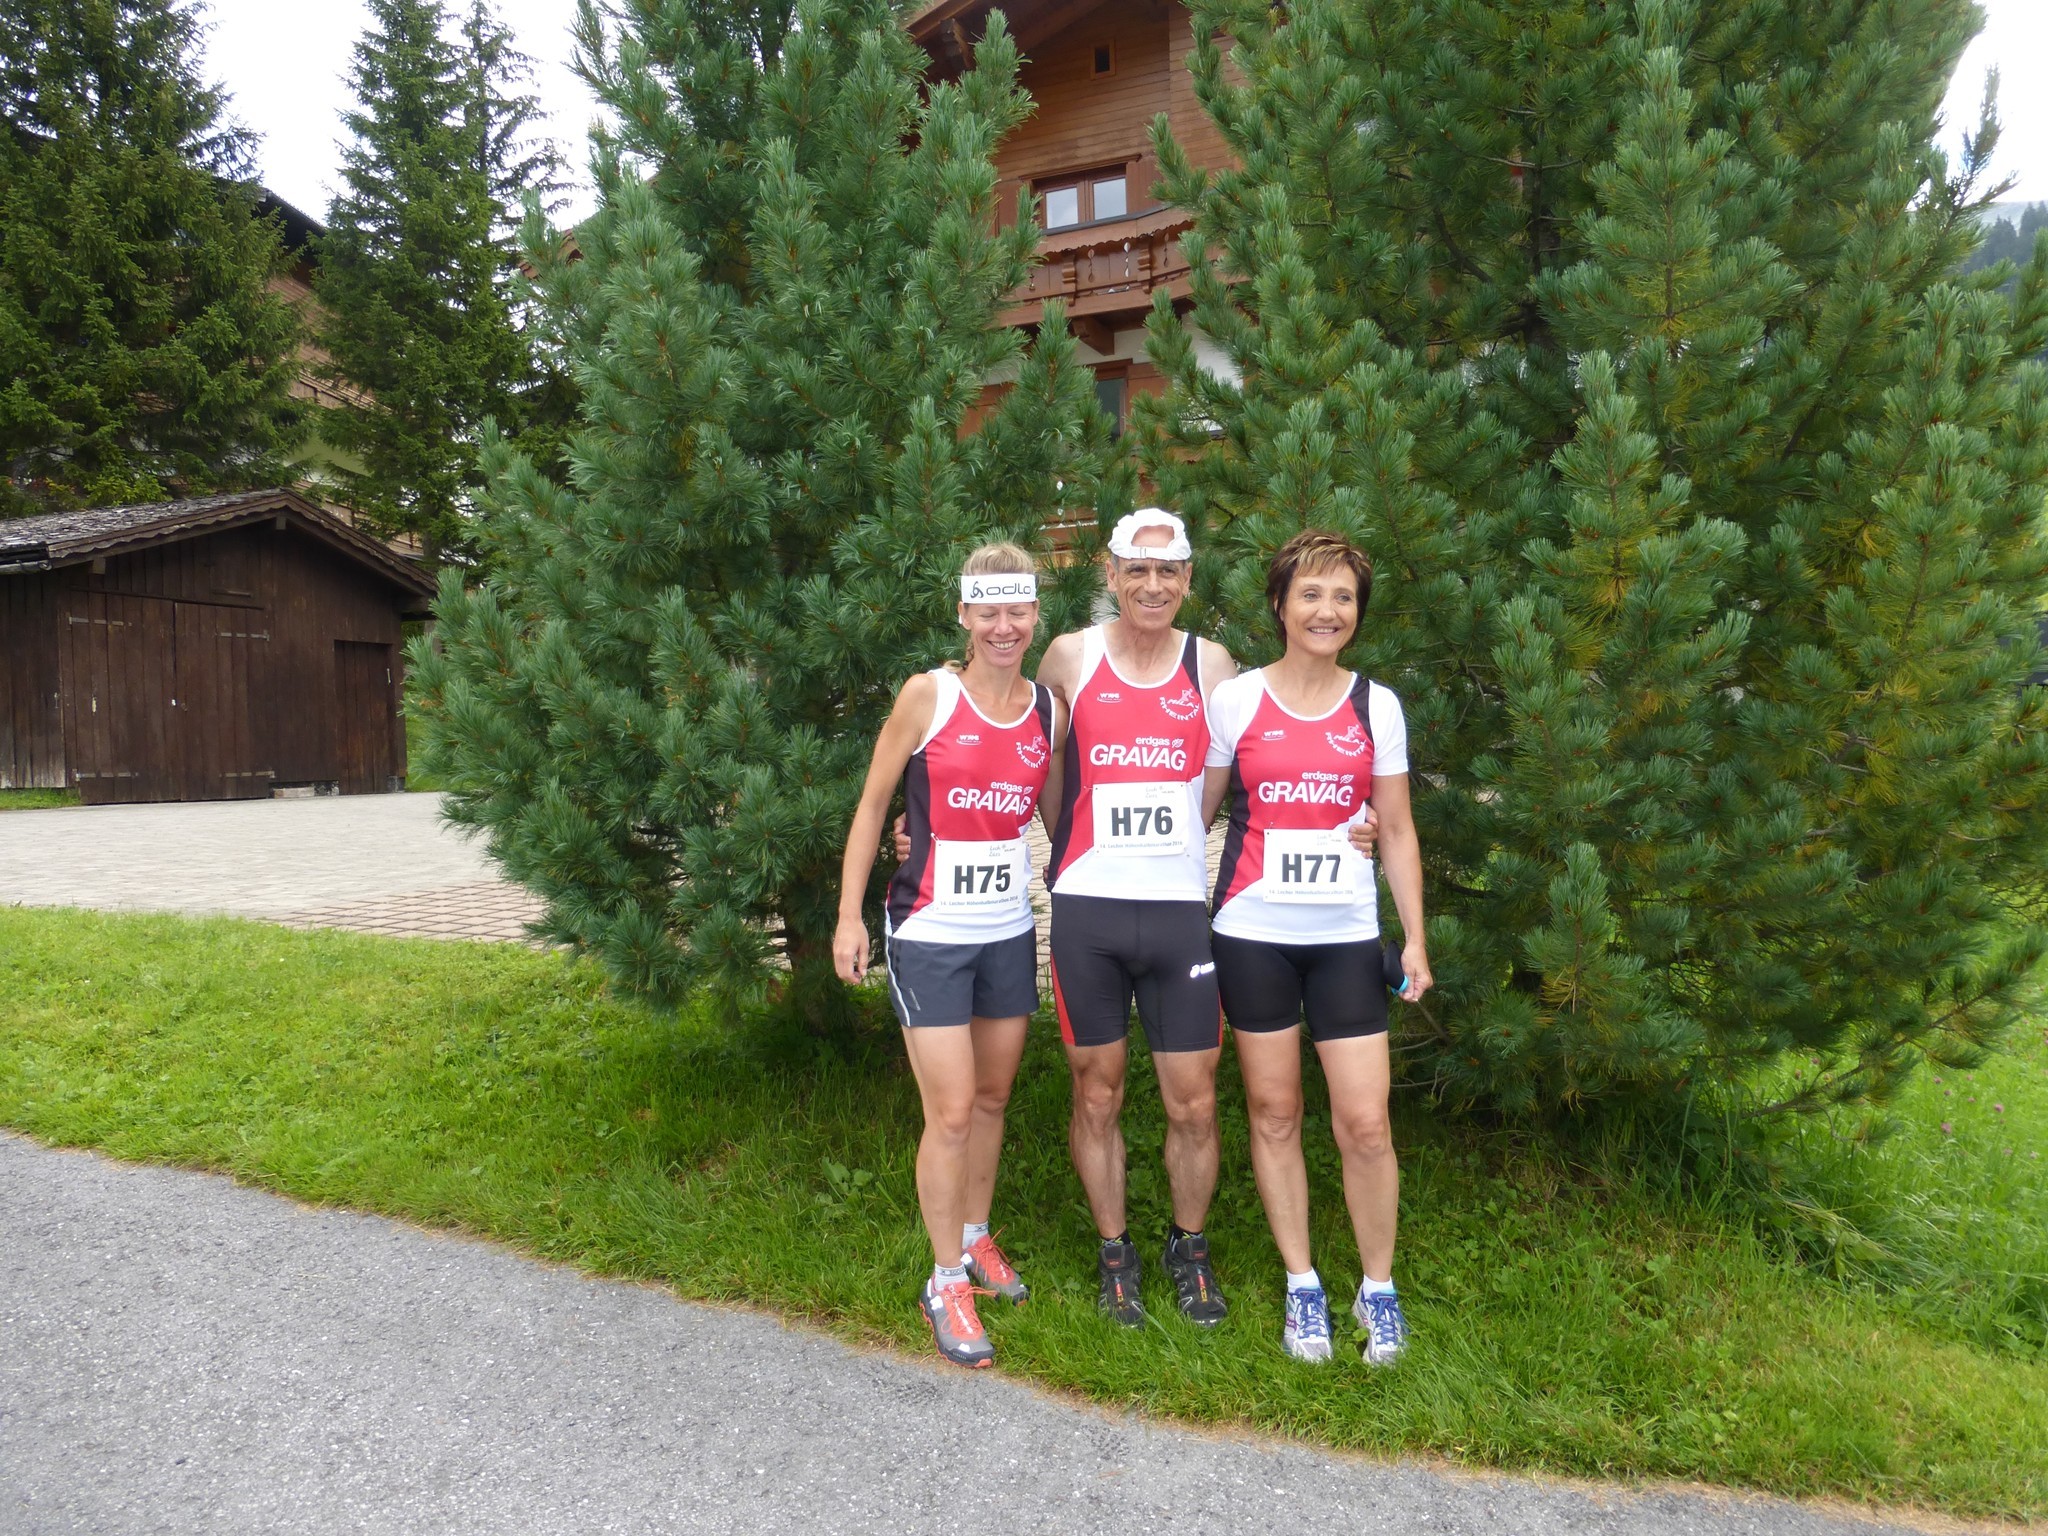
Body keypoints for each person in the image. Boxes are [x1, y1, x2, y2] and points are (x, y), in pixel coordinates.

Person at [1201, 529, 1431, 1365]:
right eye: (1310, 594)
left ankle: (1380, 1288)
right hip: (1253, 933)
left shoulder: (1377, 706)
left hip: (1343, 936)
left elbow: (1397, 830)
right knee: (1274, 1112)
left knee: (1366, 1123)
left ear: (1358, 613)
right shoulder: (1237, 702)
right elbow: (1201, 810)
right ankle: (1303, 1286)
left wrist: (1415, 940)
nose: (1326, 609)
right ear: (1279, 604)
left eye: (1342, 597)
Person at [834, 543, 1061, 1369]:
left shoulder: (1048, 711)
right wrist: (847, 919)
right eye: (988, 612)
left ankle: (974, 1238)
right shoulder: (928, 695)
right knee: (954, 1111)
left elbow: (1064, 819)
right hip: (928, 930)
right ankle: (942, 1280)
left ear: (1036, 615)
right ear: (964, 615)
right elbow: (871, 809)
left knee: (994, 1097)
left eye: (1019, 611)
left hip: (1005, 926)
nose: (1005, 627)